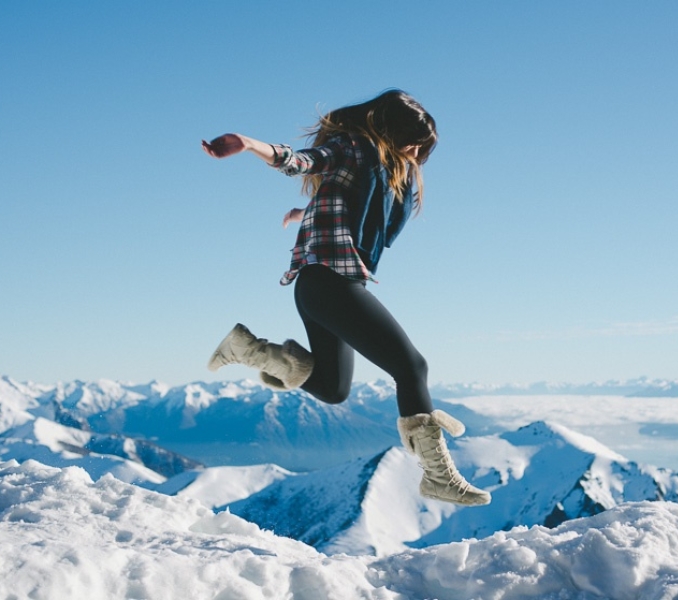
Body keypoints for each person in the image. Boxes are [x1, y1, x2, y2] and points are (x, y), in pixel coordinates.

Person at [201, 89, 490, 506]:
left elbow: (348, 204)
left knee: (333, 388)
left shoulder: (383, 171)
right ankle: (438, 476)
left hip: (327, 286)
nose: (414, 152)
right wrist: (249, 144)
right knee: (411, 367)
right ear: (391, 131)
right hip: (329, 284)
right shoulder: (355, 146)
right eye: (411, 141)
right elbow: (302, 161)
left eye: (420, 148)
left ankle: (249, 349)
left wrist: (306, 213)